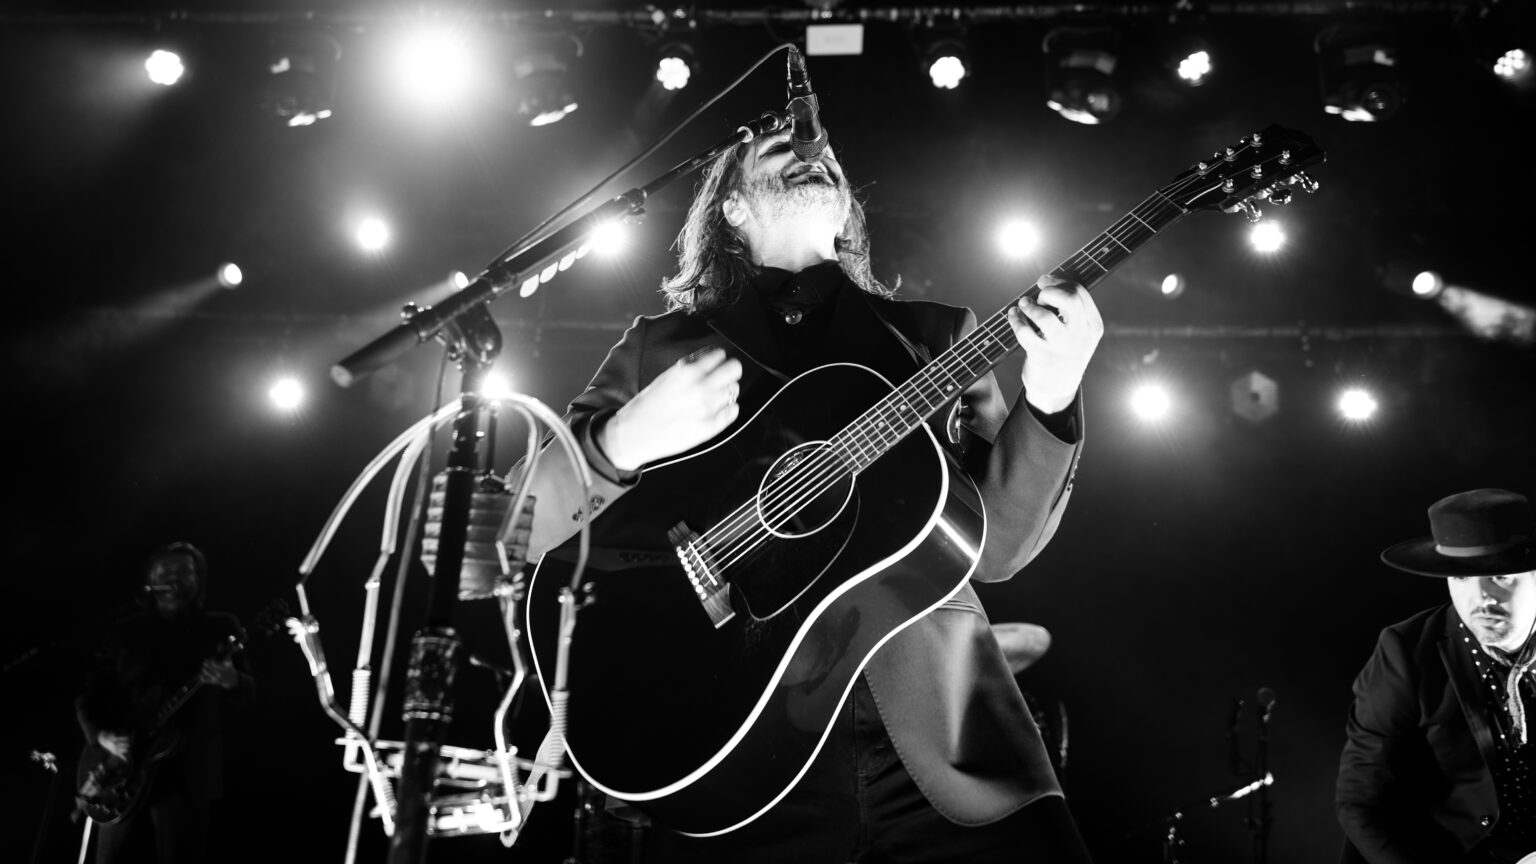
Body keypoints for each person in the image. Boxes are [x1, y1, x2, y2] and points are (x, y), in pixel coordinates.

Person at [508, 124, 1103, 862]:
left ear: (846, 206)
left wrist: (1053, 396)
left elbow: (999, 547)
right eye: (776, 147)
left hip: (947, 744)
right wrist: (620, 441)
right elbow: (522, 528)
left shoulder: (937, 335)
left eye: (824, 153)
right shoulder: (658, 347)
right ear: (731, 206)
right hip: (729, 745)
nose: (809, 150)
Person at [1337, 488, 1536, 864]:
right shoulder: (1405, 653)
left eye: (1499, 576)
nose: (1480, 598)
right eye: (1460, 578)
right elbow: (1360, 804)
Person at [76, 542, 255, 863]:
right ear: (151, 579)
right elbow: (89, 695)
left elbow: (249, 694)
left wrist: (232, 680)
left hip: (188, 775)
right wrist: (102, 736)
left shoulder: (220, 627)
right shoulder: (127, 630)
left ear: (198, 579)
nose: (175, 577)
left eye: (185, 571)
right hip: (121, 767)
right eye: (166, 571)